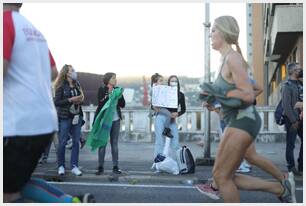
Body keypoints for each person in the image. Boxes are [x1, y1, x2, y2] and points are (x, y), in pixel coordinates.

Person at [195, 15, 295, 203]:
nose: (211, 35)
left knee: (221, 177)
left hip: (241, 122)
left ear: (224, 32)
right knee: (225, 175)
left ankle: (282, 185)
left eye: (214, 30)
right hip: (239, 121)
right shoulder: (228, 60)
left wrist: (221, 97)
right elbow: (249, 89)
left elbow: (248, 95)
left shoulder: (233, 59)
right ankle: (280, 188)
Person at [3, 3, 94, 203]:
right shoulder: (35, 31)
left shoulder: (5, 23)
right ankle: (69, 202)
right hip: (43, 120)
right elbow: (52, 72)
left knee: (7, 192)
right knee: (14, 181)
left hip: (19, 123)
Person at [54, 64, 85, 176]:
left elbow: (82, 97)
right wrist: (70, 99)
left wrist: (79, 101)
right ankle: (61, 166)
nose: (74, 72)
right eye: (72, 70)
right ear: (66, 73)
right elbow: (57, 102)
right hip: (65, 117)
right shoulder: (61, 86)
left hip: (77, 116)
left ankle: (74, 166)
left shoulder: (77, 84)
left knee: (76, 142)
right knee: (62, 142)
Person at [94, 72, 126, 175]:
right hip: (104, 120)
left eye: (115, 78)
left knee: (114, 143)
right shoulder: (102, 89)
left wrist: (120, 96)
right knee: (102, 143)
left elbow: (123, 105)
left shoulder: (118, 90)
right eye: (113, 78)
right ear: (108, 80)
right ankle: (100, 167)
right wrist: (109, 93)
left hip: (115, 119)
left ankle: (115, 166)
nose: (115, 80)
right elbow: (101, 103)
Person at [281, 63, 303, 175]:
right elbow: (286, 105)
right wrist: (294, 120)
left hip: (302, 118)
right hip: (292, 120)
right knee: (291, 144)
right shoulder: (287, 86)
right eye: (299, 69)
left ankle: (301, 165)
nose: (301, 70)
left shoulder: (301, 83)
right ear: (293, 71)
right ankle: (291, 167)